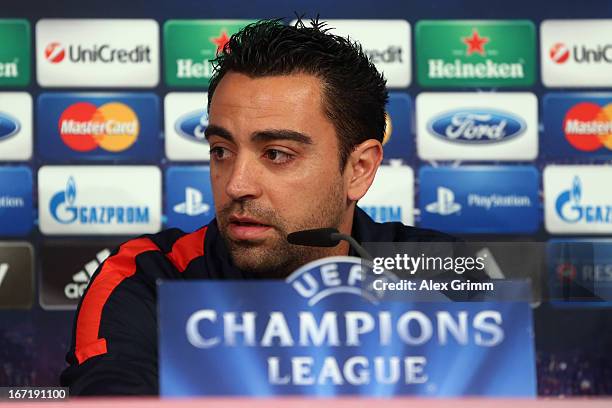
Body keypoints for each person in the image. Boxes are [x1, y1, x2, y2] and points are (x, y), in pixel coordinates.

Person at [60, 18, 457, 395]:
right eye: (221, 150)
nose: (236, 184)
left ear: (359, 169)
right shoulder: (148, 279)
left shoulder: (445, 275)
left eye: (277, 154)